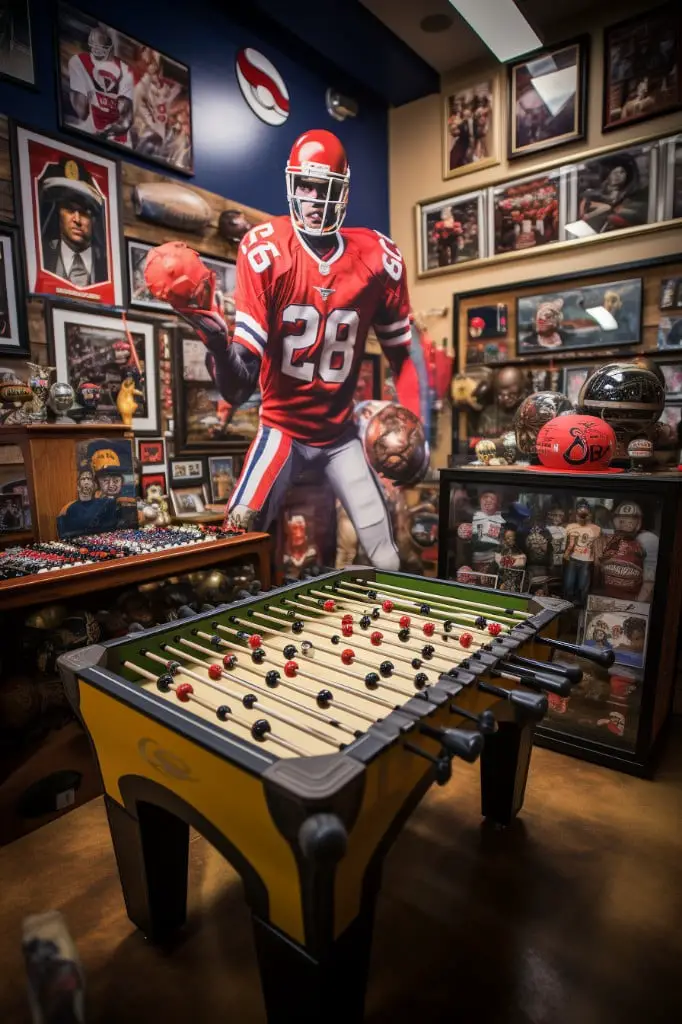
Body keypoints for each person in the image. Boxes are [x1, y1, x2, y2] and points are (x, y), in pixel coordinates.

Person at [145, 129, 424, 570]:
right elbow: (238, 390)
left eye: (322, 188)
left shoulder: (378, 256)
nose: (311, 199)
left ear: (343, 190)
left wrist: (415, 424)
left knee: (385, 551)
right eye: (304, 186)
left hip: (340, 433)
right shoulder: (265, 249)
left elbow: (404, 357)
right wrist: (216, 339)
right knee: (237, 537)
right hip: (282, 428)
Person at [38, 158, 108, 286]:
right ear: (58, 212)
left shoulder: (107, 264)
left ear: (93, 219)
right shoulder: (41, 256)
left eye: (84, 212)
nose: (76, 220)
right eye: (70, 210)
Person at [67, 26, 134, 145]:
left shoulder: (126, 72)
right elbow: (81, 110)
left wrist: (106, 133)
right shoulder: (79, 62)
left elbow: (126, 121)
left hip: (118, 141)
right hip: (90, 128)